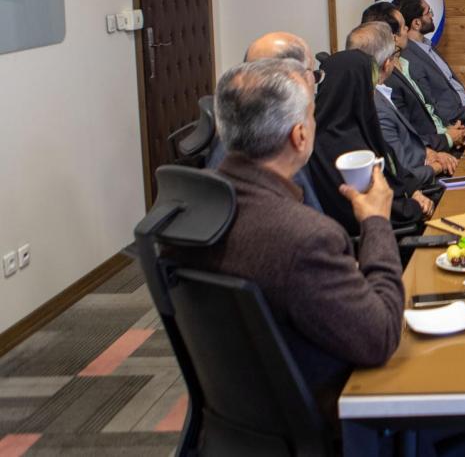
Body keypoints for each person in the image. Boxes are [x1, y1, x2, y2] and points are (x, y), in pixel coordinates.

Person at [181, 58, 404, 437]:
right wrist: (376, 222)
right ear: (300, 136)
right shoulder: (305, 237)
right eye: (312, 116)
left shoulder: (193, 210)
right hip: (337, 416)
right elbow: (380, 336)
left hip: (241, 419)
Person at [305, 49, 434, 238]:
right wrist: (415, 208)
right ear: (357, 90)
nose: (374, 93)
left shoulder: (359, 125)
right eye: (371, 86)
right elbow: (369, 211)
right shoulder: (336, 145)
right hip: (388, 238)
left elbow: (395, 167)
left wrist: (414, 191)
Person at [206, 31, 322, 211]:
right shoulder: (279, 153)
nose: (313, 83)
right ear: (291, 78)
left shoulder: (234, 134)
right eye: (312, 73)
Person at [347, 22, 456, 184]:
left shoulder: (375, 92)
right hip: (417, 185)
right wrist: (438, 166)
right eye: (395, 54)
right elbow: (403, 175)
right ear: (387, 63)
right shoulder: (374, 105)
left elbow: (405, 142)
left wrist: (429, 153)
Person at [361, 1, 465, 158]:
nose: (407, 30)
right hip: (432, 154)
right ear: (393, 38)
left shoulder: (406, 63)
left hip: (444, 135)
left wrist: (451, 130)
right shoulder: (386, 79)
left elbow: (431, 108)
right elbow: (408, 136)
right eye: (404, 26)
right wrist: (448, 139)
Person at [394, 0, 465, 130]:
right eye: (428, 12)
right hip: (458, 125)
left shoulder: (427, 46)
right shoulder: (410, 59)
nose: (432, 15)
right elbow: (436, 108)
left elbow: (451, 86)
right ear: (416, 23)